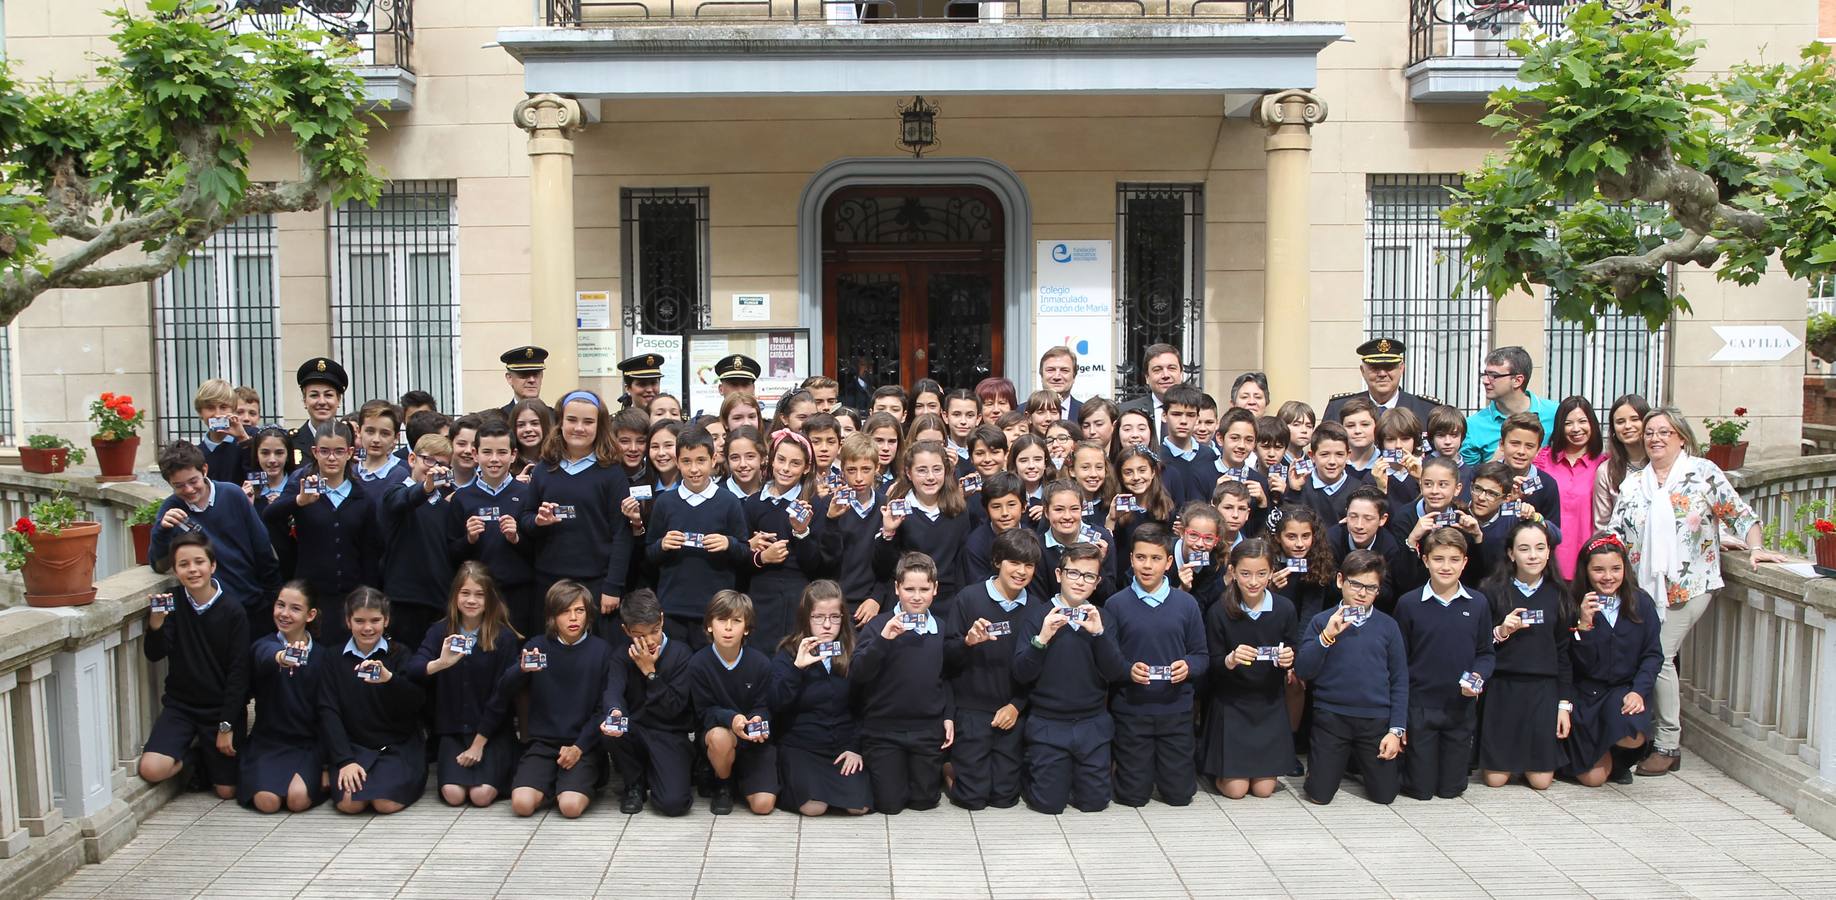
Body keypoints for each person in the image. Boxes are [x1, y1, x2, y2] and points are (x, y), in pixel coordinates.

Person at [1606, 406, 1781, 776]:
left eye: (1664, 432)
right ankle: (1646, 736)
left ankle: (1669, 744)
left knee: (1659, 657)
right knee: (1647, 657)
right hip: (1643, 588)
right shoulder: (1635, 481)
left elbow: (1740, 514)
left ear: (1681, 437)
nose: (1654, 438)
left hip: (1691, 584)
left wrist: (1754, 546)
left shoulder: (1703, 473)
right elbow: (1616, 533)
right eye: (1649, 432)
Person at [486, 581, 622, 819]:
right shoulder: (537, 646)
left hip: (583, 744)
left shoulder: (601, 651)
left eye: (579, 611)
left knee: (570, 807)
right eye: (564, 611)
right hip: (543, 743)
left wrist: (579, 747)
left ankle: (579, 781)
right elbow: (504, 690)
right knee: (522, 805)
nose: (573, 618)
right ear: (552, 616)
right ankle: (551, 783)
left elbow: (603, 708)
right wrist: (521, 670)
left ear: (588, 614)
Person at [1012, 543, 1128, 814]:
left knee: (1095, 803)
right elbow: (1021, 673)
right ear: (1059, 575)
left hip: (1092, 723)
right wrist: (1041, 640)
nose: (1080, 581)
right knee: (1047, 804)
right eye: (1073, 573)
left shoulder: (1104, 618)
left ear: (1097, 582)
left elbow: (1116, 672)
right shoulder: (1036, 615)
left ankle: (1074, 776)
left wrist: (1099, 636)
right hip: (1048, 722)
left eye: (1089, 576)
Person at [139, 534, 250, 800]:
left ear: (212, 566)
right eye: (184, 564)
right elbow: (154, 655)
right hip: (181, 706)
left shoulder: (233, 610)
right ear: (175, 571)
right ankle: (192, 758)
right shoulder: (172, 603)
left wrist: (226, 725)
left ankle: (205, 757)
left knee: (227, 791)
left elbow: (239, 674)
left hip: (220, 709)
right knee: (152, 769)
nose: (192, 569)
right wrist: (155, 624)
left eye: (199, 562)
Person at [1104, 523, 1208, 808]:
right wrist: (1127, 670)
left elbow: (1201, 655)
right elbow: (1109, 661)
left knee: (1179, 796)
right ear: (1131, 559)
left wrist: (1188, 666)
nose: (1147, 565)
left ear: (1169, 562)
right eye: (1140, 557)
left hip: (1175, 710)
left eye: (1155, 558)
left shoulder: (1186, 605)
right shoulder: (1115, 605)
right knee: (1132, 797)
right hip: (1132, 710)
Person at [1295, 550, 1407, 806]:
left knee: (1385, 796)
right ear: (1340, 581)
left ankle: (1359, 765)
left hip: (1375, 720)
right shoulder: (1321, 620)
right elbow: (1303, 671)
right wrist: (1326, 637)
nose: (1362, 592)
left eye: (1370, 587)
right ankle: (1327, 766)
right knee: (1319, 795)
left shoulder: (1388, 626)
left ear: (1378, 591)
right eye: (1355, 584)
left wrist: (1396, 730)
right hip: (1331, 717)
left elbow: (1400, 679)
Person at [407, 563, 523, 809]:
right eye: (465, 593)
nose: (471, 600)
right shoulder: (440, 631)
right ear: (455, 596)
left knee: (481, 796)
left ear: (490, 598)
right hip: (454, 730)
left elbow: (502, 696)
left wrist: (479, 744)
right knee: (453, 795)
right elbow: (414, 669)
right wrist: (440, 663)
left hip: (491, 732)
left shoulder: (504, 638)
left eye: (479, 594)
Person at [942, 528, 1042, 811]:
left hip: (1010, 711)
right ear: (998, 561)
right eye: (1014, 562)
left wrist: (1016, 706)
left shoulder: (1036, 608)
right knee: (972, 799)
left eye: (1029, 565)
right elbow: (947, 658)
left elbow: (1037, 667)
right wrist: (967, 642)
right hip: (972, 711)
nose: (1021, 571)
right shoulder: (968, 598)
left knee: (1004, 799)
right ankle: (949, 770)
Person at [519, 390, 636, 629]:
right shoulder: (544, 469)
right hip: (549, 580)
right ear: (560, 421)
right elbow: (525, 519)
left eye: (588, 422)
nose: (579, 428)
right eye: (572, 420)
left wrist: (613, 586)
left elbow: (622, 535)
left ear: (600, 425)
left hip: (595, 583)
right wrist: (538, 522)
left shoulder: (612, 473)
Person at [1392, 528, 1494, 801]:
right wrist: (1400, 719)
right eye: (1438, 559)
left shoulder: (1478, 603)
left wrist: (1478, 677)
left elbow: (1486, 653)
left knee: (1451, 790)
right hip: (1420, 707)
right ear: (1425, 560)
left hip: (1459, 707)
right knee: (1421, 790)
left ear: (1464, 562)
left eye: (1453, 559)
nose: (1446, 566)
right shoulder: (1409, 604)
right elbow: (1399, 662)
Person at [262, 421, 382, 648]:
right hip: (311, 593)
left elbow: (369, 552)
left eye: (338, 451)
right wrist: (299, 501)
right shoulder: (301, 485)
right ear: (315, 452)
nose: (331, 458)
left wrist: (368, 595)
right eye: (325, 451)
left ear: (349, 453)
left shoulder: (362, 498)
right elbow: (269, 515)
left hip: (349, 593)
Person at [851, 552, 954, 815]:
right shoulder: (877, 626)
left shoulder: (940, 628)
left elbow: (946, 677)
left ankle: (937, 774)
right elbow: (858, 673)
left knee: (924, 801)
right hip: (883, 731)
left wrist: (948, 716)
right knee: (889, 805)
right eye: (909, 589)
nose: (916, 596)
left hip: (926, 730)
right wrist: (883, 640)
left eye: (924, 589)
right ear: (897, 588)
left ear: (935, 589)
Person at [1199, 538, 1299, 800]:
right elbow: (1210, 663)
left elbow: (1292, 647)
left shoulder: (1284, 608)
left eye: (1261, 574)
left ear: (1271, 573)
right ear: (1232, 572)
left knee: (1264, 791)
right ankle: (1216, 769)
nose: (1253, 581)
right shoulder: (1219, 610)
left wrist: (1289, 658)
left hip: (1268, 702)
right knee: (1236, 790)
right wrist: (1230, 660)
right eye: (1245, 574)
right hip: (1232, 703)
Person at [150, 441, 282, 636]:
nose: (188, 489)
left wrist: (271, 597)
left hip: (252, 605)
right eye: (178, 486)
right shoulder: (171, 509)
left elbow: (263, 548)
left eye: (193, 481)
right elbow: (159, 564)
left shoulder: (232, 494)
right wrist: (162, 531)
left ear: (204, 470)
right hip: (210, 614)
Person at [1478, 520, 1571, 791]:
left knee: (1541, 782)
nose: (1533, 555)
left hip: (1543, 690)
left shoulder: (1560, 594)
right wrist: (1501, 631)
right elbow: (1478, 644)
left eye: (1540, 548)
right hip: (1502, 688)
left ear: (1549, 552)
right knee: (1495, 780)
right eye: (1524, 548)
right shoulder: (1491, 591)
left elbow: (1565, 655)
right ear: (1511, 554)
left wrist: (1564, 705)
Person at [1565, 533, 1663, 786]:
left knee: (1632, 730)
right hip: (1585, 692)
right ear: (1585, 571)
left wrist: (1639, 692)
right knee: (1593, 779)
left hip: (1622, 688)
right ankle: (1593, 759)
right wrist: (1583, 626)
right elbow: (1571, 661)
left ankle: (1618, 762)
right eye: (1598, 569)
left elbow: (1653, 655)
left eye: (1615, 569)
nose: (1607, 577)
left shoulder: (1641, 603)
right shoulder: (1571, 602)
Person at [769, 581, 871, 816]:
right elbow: (775, 704)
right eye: (818, 617)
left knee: (859, 807)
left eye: (834, 617)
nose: (827, 625)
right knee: (813, 807)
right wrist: (797, 669)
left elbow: (865, 707)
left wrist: (855, 747)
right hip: (801, 747)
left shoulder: (853, 651)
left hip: (841, 747)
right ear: (806, 618)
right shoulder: (788, 653)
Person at [321, 589, 427, 814]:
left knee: (385, 803)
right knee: (350, 804)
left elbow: (416, 702)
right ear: (348, 621)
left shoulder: (400, 653)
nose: (367, 628)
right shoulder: (332, 657)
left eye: (375, 620)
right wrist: (344, 760)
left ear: (386, 620)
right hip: (353, 746)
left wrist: (390, 679)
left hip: (397, 745)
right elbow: (328, 710)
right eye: (359, 621)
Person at [648, 424, 749, 647]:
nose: (694, 469)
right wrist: (662, 545)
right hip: (673, 607)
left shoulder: (728, 502)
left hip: (716, 611)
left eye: (701, 460)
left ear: (713, 460)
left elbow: (744, 552)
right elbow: (649, 554)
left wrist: (728, 543)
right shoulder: (665, 503)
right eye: (686, 461)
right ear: (677, 462)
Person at [688, 590, 780, 816]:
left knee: (763, 805)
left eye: (736, 621)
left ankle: (743, 778)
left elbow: (764, 705)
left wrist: (759, 719)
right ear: (709, 625)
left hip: (753, 741)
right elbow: (703, 712)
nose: (728, 628)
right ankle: (724, 783)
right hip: (720, 735)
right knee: (720, 736)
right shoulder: (698, 663)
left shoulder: (760, 663)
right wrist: (732, 719)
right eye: (721, 620)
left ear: (746, 628)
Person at [608, 589, 698, 816]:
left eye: (654, 631)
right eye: (639, 635)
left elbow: (674, 709)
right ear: (626, 630)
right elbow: (613, 691)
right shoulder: (620, 656)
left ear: (662, 619)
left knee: (673, 804)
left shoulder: (681, 654)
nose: (649, 641)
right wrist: (615, 711)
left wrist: (650, 672)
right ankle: (634, 784)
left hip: (669, 733)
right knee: (610, 724)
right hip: (635, 731)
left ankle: (662, 773)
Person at [742, 430, 833, 652]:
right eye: (781, 460)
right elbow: (739, 558)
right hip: (760, 594)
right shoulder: (752, 504)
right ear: (771, 460)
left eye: (794, 463)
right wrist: (761, 556)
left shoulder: (814, 505)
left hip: (797, 595)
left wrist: (801, 532)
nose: (785, 468)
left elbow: (816, 565)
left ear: (805, 468)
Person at [241, 582, 328, 813]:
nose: (284, 614)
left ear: (310, 615)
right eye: (280, 605)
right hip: (268, 742)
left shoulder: (323, 656)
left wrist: (330, 763)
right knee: (266, 803)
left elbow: (330, 711)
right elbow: (264, 656)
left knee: (297, 801)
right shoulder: (263, 645)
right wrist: (283, 656)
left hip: (308, 744)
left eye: (295, 608)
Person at [452, 419, 539, 638]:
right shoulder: (462, 498)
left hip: (519, 593)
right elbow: (450, 552)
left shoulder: (528, 494)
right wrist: (469, 539)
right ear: (475, 454)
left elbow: (541, 548)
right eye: (487, 452)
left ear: (513, 455)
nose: (494, 459)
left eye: (501, 452)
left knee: (517, 649)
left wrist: (516, 538)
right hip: (477, 595)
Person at [377, 433, 457, 645]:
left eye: (442, 464)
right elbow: (402, 501)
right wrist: (426, 487)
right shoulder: (395, 490)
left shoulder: (447, 503)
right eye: (429, 460)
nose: (434, 468)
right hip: (404, 599)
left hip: (438, 599)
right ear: (412, 459)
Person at [875, 441, 976, 608]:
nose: (930, 477)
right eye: (922, 470)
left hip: (947, 601)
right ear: (908, 473)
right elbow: (883, 568)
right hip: (907, 600)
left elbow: (961, 564)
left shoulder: (959, 510)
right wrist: (888, 533)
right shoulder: (897, 509)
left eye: (937, 469)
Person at [1535, 396, 1606, 579]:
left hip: (1588, 559)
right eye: (1568, 423)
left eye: (1583, 421)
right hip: (1548, 558)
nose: (1576, 429)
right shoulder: (1542, 461)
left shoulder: (1605, 465)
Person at [1463, 346, 1559, 465]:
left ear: (1517, 380)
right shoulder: (1472, 426)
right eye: (1485, 374)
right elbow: (1466, 479)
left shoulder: (1555, 414)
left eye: (1494, 376)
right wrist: (1495, 463)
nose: (1485, 381)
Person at [1322, 338, 1443, 424]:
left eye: (1389, 367)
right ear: (1362, 371)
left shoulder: (1427, 410)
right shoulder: (1338, 408)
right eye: (1375, 368)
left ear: (1401, 368)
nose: (1382, 374)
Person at [1593, 394, 1650, 532]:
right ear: (1613, 430)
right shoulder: (1606, 471)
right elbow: (1602, 525)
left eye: (1635, 419)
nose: (1627, 426)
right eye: (1620, 422)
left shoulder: (1661, 464)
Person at [1120, 342, 1185, 442]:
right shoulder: (1125, 411)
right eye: (1157, 370)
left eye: (1171, 368)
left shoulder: (1200, 410)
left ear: (1181, 374)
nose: (1165, 375)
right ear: (1147, 378)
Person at [194, 378, 249, 484]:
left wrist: (243, 439)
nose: (217, 414)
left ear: (233, 410)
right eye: (210, 408)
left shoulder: (246, 441)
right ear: (200, 412)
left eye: (223, 407)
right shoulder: (197, 454)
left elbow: (257, 475)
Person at [290, 356, 348, 457]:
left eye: (328, 395)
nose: (321, 401)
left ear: (338, 400)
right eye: (314, 395)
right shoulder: (290, 442)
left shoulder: (351, 440)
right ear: (304, 400)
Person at [499, 345, 548, 417]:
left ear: (542, 376)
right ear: (509, 378)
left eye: (536, 374)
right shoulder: (499, 419)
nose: (532, 380)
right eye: (524, 374)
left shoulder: (555, 418)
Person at [1039, 345, 1081, 420]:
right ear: (1041, 375)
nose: (1057, 377)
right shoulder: (1021, 411)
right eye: (1050, 370)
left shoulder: (1086, 413)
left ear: (1074, 376)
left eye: (1064, 370)